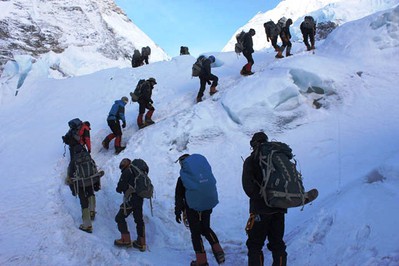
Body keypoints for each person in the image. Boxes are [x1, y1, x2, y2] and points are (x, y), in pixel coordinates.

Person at [242, 132, 288, 266]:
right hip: (279, 207)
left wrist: (261, 199)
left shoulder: (251, 160)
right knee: (277, 243)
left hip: (260, 211)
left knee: (255, 245)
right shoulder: (277, 157)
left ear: (253, 144)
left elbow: (248, 188)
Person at [174, 154, 225, 266]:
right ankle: (218, 250)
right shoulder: (203, 175)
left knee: (195, 233)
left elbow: (179, 196)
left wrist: (178, 211)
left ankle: (201, 261)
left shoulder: (182, 178)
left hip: (192, 208)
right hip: (207, 204)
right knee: (206, 228)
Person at [63, 119, 99, 233]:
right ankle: (92, 211)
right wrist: (89, 149)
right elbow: (94, 167)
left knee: (83, 200)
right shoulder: (88, 157)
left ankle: (87, 224)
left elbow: (70, 174)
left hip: (80, 182)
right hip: (90, 180)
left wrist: (73, 188)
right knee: (91, 192)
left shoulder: (74, 160)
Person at [114, 158, 148, 251]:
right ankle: (141, 243)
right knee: (139, 219)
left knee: (119, 217)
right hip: (139, 198)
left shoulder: (126, 172)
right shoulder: (138, 171)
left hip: (131, 199)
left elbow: (119, 188)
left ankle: (125, 239)